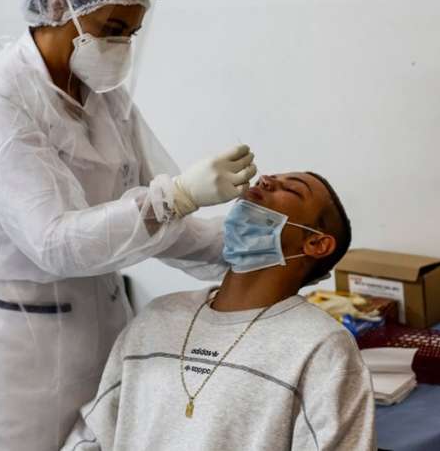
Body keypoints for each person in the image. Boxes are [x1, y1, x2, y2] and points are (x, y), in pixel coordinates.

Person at [0, 0, 257, 451]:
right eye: (112, 30)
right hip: (12, 348)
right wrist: (177, 197)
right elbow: (56, 243)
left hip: (101, 325)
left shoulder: (105, 98)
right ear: (61, 9)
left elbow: (157, 221)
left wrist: (247, 249)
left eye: (131, 33)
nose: (122, 45)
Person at [61, 173, 376, 451]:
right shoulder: (158, 318)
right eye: (271, 177)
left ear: (316, 243)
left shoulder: (320, 347)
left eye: (291, 189)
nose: (265, 179)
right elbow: (93, 436)